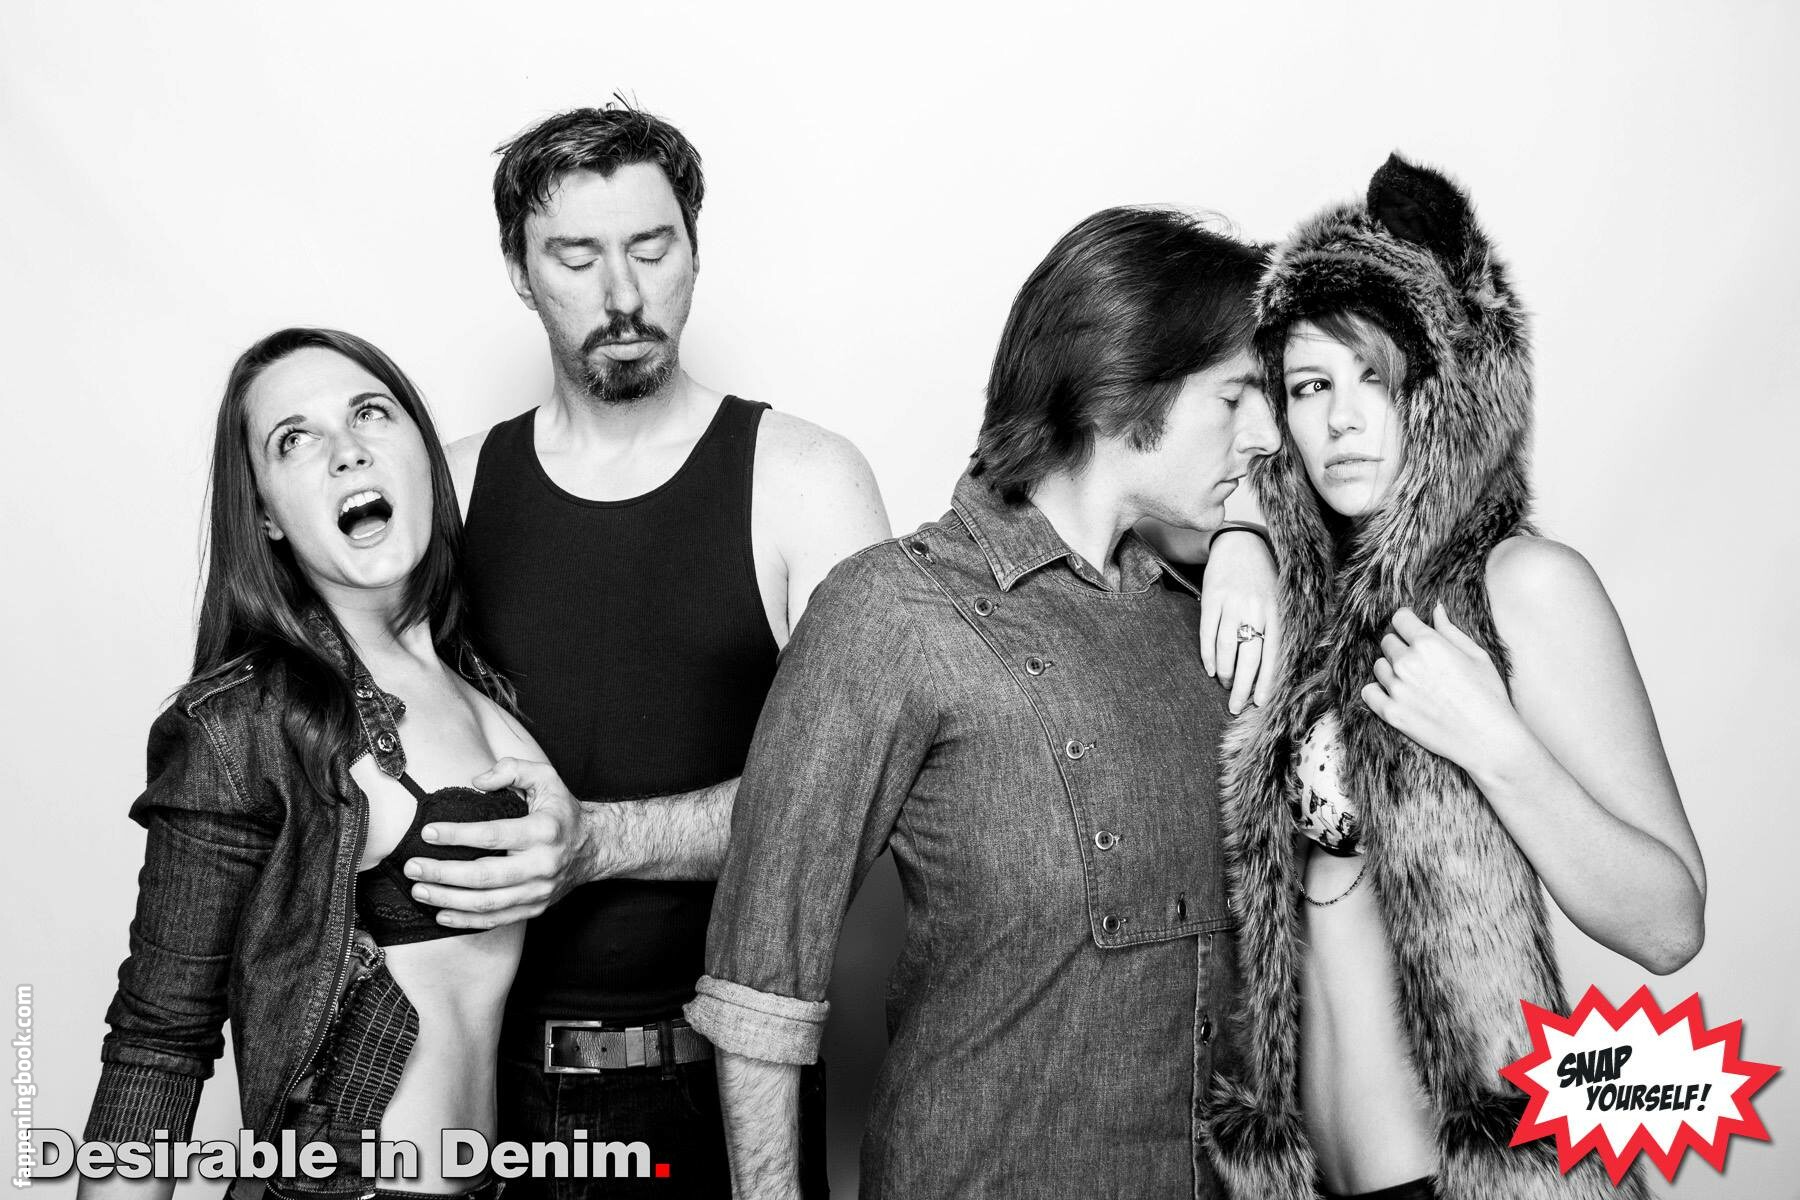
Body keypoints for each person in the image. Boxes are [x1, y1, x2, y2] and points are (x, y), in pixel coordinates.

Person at [687, 207, 1282, 1199]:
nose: (1264, 435)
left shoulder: (1209, 615)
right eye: (1235, 397)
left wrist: (1252, 536)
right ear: (1119, 387)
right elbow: (761, 984)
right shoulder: (891, 609)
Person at [1202, 155, 1706, 1200]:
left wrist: (1494, 743)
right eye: (1310, 386)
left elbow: (1669, 923)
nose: (1342, 421)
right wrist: (1239, 536)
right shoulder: (1291, 604)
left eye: (1376, 380)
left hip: (1483, 1179)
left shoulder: (1522, 587)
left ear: (1439, 392)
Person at [82, 327, 565, 1199]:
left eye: (370, 413)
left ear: (423, 454)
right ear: (266, 515)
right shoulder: (245, 722)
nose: (346, 451)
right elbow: (157, 1042)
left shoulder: (481, 683)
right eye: (294, 440)